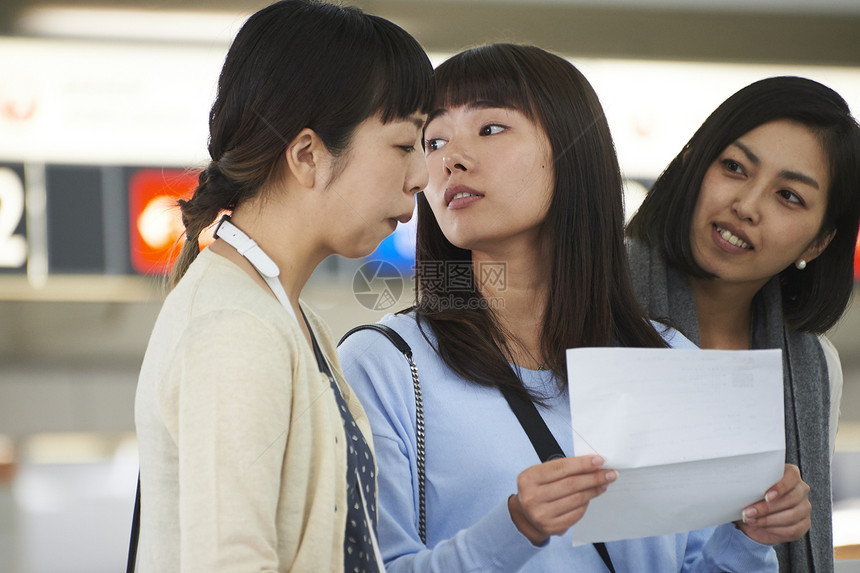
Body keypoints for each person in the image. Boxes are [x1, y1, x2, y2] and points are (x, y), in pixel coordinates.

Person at [339, 43, 788, 572]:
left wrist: (749, 536)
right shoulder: (385, 365)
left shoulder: (667, 359)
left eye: (490, 129)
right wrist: (514, 528)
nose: (449, 158)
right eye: (432, 140)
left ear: (573, 150)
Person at [133, 1, 433, 571]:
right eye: (403, 145)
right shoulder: (236, 327)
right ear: (307, 155)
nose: (421, 175)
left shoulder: (284, 314)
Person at [626, 76, 860, 572]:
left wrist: (772, 523)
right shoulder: (579, 302)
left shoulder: (816, 368)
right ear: (692, 161)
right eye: (734, 167)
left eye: (789, 196)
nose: (747, 206)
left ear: (818, 243)